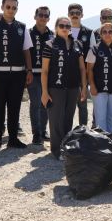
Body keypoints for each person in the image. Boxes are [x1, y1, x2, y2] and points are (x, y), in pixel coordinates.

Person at [0, 0, 33, 152]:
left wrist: (29, 71)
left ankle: (13, 139)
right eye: (8, 7)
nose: (11, 10)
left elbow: (26, 51)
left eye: (14, 7)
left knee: (14, 107)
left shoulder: (22, 27)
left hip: (17, 74)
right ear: (2, 7)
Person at [41, 16, 87, 159]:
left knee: (68, 119)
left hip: (73, 88)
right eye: (62, 26)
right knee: (56, 120)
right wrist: (44, 92)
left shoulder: (77, 44)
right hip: (56, 87)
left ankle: (65, 147)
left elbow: (82, 68)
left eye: (68, 26)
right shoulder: (50, 44)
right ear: (56, 28)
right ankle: (56, 150)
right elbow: (45, 71)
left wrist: (84, 87)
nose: (65, 28)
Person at [87, 22, 112, 134]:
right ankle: (102, 145)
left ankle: (111, 142)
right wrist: (92, 86)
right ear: (100, 34)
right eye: (104, 32)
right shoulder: (94, 49)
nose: (107, 34)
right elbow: (89, 70)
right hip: (98, 89)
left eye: (110, 32)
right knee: (100, 118)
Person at [27, 6, 53, 145]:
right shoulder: (28, 33)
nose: (43, 17)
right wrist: (28, 71)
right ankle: (36, 133)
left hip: (48, 75)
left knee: (45, 103)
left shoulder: (52, 34)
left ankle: (43, 130)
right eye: (40, 15)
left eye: (45, 15)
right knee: (35, 104)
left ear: (48, 18)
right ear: (35, 16)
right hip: (33, 74)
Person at [68, 3, 92, 126]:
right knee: (68, 107)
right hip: (67, 74)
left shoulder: (89, 33)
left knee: (82, 105)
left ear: (82, 15)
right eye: (72, 13)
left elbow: (93, 55)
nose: (75, 15)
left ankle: (83, 131)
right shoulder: (63, 30)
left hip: (84, 74)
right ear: (68, 15)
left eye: (77, 13)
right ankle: (67, 132)